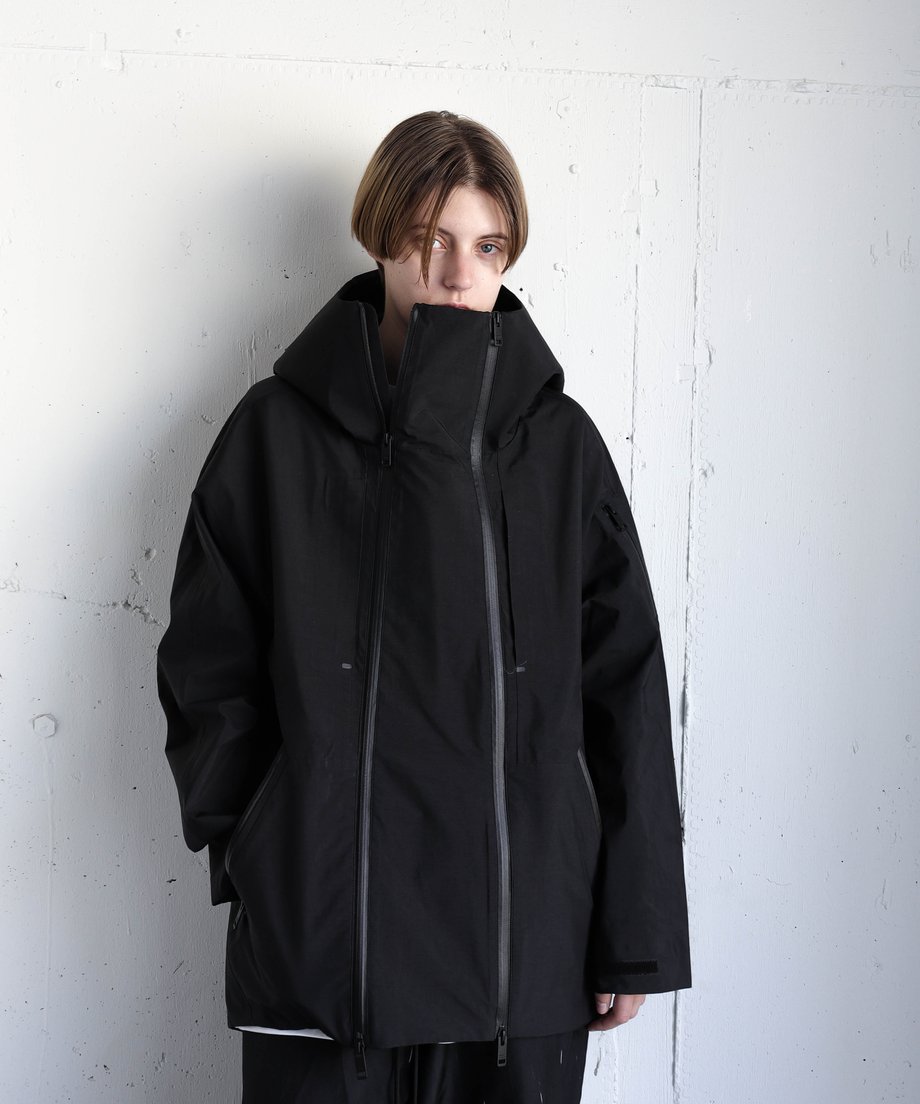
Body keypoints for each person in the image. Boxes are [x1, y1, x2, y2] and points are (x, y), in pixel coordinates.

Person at [156, 109, 691, 1103]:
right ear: (379, 236)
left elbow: (624, 691)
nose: (454, 273)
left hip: (524, 944)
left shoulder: (558, 448)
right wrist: (264, 846)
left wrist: (636, 929)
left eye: (486, 246)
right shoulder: (276, 437)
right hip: (328, 940)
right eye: (427, 238)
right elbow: (206, 669)